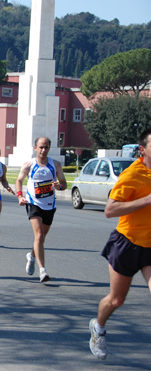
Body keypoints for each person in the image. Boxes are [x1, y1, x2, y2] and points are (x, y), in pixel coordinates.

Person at [89, 129, 151, 361]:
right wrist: (147, 199)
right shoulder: (132, 175)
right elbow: (110, 210)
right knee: (117, 299)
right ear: (143, 150)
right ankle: (98, 327)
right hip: (128, 243)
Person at [16, 137, 67, 283]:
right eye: (41, 147)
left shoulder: (55, 165)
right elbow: (19, 181)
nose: (43, 150)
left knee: (41, 238)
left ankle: (31, 256)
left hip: (49, 204)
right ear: (35, 148)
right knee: (38, 236)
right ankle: (42, 270)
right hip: (33, 203)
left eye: (46, 147)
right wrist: (20, 196)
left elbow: (64, 183)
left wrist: (59, 187)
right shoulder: (29, 165)